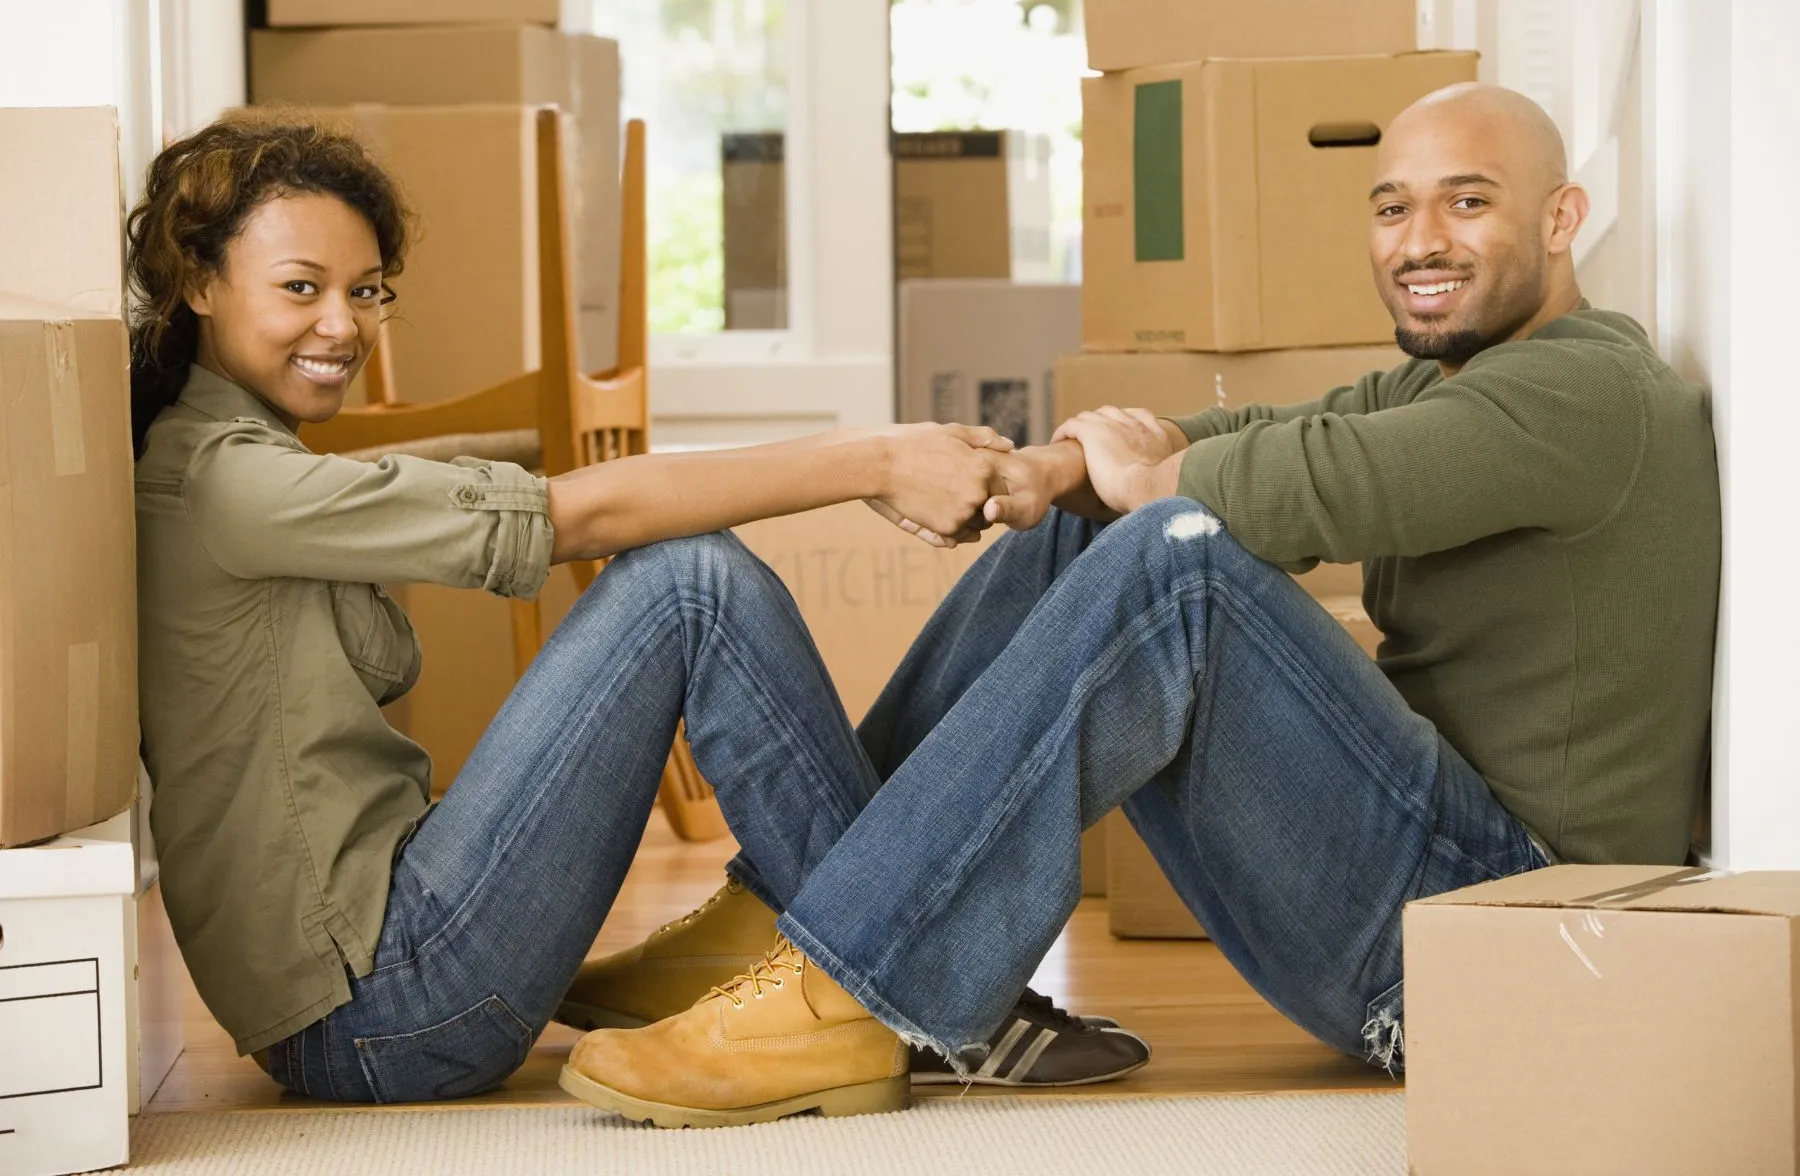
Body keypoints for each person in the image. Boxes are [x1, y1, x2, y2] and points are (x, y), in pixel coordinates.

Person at [559, 82, 1721, 1127]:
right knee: (1107, 524)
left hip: (1506, 947)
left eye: (1468, 204)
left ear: (1562, 219)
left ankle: (853, 988)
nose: (1420, 241)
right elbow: (1277, 431)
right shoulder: (1457, 376)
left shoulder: (1588, 391)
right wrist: (1065, 472)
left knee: (1178, 553)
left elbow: (1326, 483)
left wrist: (1152, 484)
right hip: (1422, 907)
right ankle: (790, 911)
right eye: (1392, 208)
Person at [130, 110, 1147, 1108]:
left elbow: (439, 491)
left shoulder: (232, 463)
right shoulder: (227, 485)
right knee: (687, 585)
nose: (342, 326)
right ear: (199, 284)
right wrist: (874, 456)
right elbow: (583, 518)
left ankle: (853, 944)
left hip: (382, 963)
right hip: (381, 1012)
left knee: (764, 565)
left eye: (366, 291)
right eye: (301, 289)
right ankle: (920, 989)